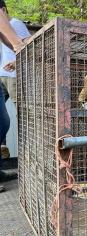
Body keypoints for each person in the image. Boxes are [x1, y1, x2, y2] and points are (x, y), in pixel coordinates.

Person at [0, 3, 26, 192]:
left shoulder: (15, 23)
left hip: (13, 77)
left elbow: (27, 46)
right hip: (2, 76)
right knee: (3, 121)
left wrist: (18, 60)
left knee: (9, 120)